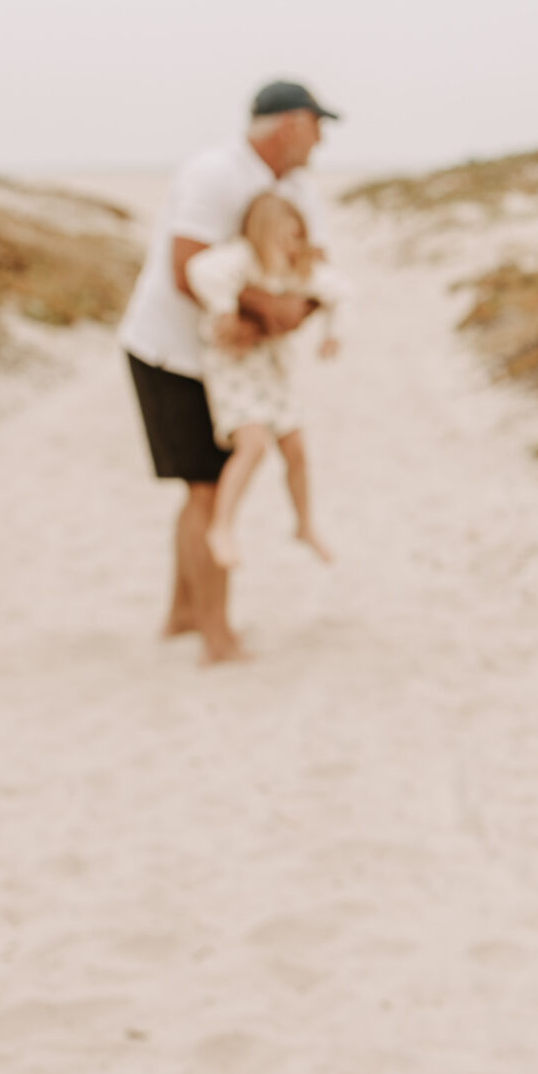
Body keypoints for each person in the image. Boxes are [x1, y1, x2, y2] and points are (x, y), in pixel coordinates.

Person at [119, 80, 339, 663]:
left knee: (205, 487)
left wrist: (299, 312)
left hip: (234, 355)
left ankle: (183, 615)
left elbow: (317, 270)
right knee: (208, 489)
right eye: (318, 125)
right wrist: (263, 315)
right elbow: (183, 269)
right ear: (290, 123)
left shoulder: (295, 188)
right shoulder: (215, 173)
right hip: (174, 353)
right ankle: (217, 637)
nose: (322, 139)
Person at [186, 190, 349, 570]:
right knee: (254, 444)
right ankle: (221, 527)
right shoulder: (242, 259)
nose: (293, 246)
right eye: (285, 238)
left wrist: (333, 332)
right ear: (262, 234)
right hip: (235, 365)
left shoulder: (297, 269)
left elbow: (342, 291)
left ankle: (304, 523)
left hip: (273, 369)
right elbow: (199, 270)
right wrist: (225, 307)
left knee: (296, 447)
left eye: (298, 237)